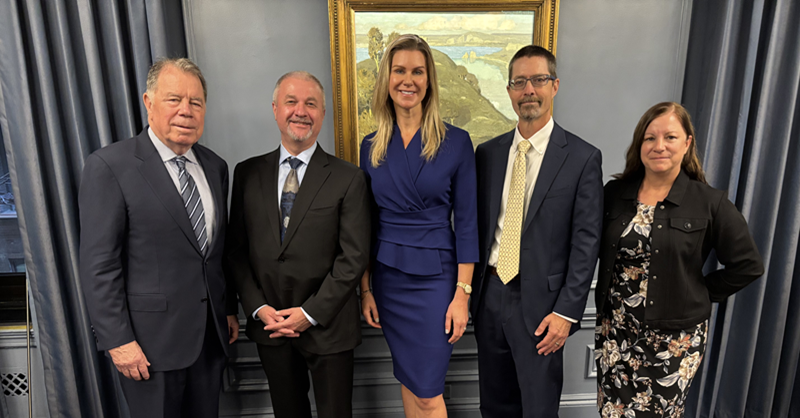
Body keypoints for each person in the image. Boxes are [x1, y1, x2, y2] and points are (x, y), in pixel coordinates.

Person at [79, 58, 239, 418]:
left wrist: (228, 308)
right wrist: (118, 340)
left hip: (210, 339)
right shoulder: (109, 166)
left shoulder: (215, 167)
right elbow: (99, 265)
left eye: (195, 102)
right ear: (148, 102)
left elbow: (216, 253)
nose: (186, 110)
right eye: (174, 99)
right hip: (147, 347)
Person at [595, 102, 764, 417]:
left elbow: (749, 265)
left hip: (674, 341)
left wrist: (698, 292)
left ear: (687, 143)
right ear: (639, 145)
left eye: (670, 137)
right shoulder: (614, 193)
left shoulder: (709, 202)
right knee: (613, 412)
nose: (659, 146)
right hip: (616, 332)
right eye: (650, 138)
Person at [224, 71, 370, 418]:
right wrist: (258, 308)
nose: (300, 111)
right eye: (291, 102)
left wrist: (309, 314)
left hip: (329, 327)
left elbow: (353, 257)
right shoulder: (247, 174)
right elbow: (236, 252)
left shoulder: (349, 178)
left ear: (323, 113)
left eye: (311, 104)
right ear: (275, 109)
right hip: (271, 326)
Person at [472, 45, 603, 418]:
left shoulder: (582, 158)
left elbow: (586, 242)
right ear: (509, 90)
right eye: (519, 82)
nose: (529, 89)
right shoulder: (488, 154)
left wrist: (567, 312)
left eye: (538, 80)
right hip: (489, 295)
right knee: (494, 407)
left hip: (544, 308)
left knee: (538, 409)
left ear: (554, 85)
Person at [359, 34, 479, 417]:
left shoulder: (457, 142)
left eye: (417, 71)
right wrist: (366, 289)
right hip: (389, 279)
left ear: (429, 81)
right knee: (410, 381)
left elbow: (467, 224)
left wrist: (462, 295)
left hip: (437, 282)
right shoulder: (371, 146)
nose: (407, 80)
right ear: (387, 79)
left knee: (427, 391)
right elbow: (365, 224)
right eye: (399, 71)